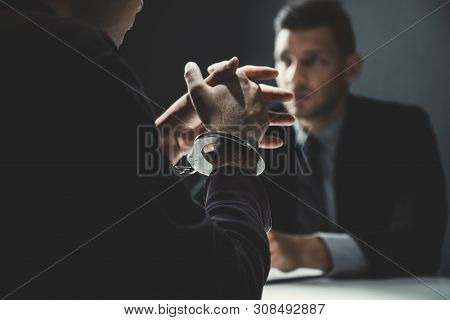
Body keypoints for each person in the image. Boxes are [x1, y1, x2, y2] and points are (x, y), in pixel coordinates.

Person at [0, 0, 295, 299]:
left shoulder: (20, 43)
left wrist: (161, 144)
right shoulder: (69, 51)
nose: (141, 4)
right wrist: (236, 145)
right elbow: (227, 291)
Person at [260, 0, 447, 277]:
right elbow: (197, 225)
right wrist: (220, 137)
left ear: (351, 68)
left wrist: (309, 251)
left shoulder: (403, 130)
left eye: (314, 60)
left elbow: (423, 246)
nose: (294, 78)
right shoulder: (254, 130)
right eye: (285, 60)